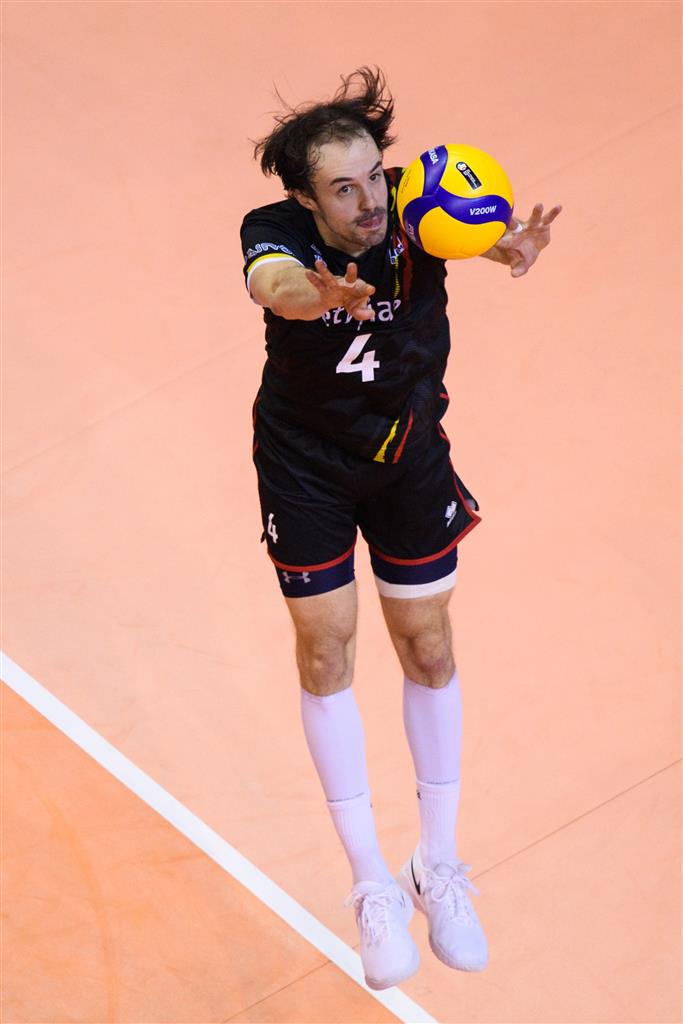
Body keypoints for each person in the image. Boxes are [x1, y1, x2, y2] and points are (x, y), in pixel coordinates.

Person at [240, 67, 561, 991]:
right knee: (325, 652)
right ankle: (371, 881)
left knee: (427, 646)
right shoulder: (275, 233)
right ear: (307, 199)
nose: (369, 202)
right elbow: (273, 285)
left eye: (373, 177)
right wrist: (318, 296)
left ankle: (437, 863)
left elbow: (461, 225)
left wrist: (508, 246)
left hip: (408, 451)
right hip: (305, 463)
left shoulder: (411, 207)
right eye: (342, 189)